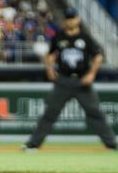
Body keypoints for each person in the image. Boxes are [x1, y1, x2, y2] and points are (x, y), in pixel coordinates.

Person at [24, 8, 116, 150]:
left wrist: (91, 74)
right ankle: (33, 144)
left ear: (78, 19)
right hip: (64, 80)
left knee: (95, 112)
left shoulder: (85, 37)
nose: (70, 20)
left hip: (82, 81)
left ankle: (111, 144)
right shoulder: (59, 37)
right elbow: (50, 55)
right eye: (68, 18)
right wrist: (49, 69)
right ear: (64, 20)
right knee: (50, 113)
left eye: (72, 18)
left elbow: (98, 56)